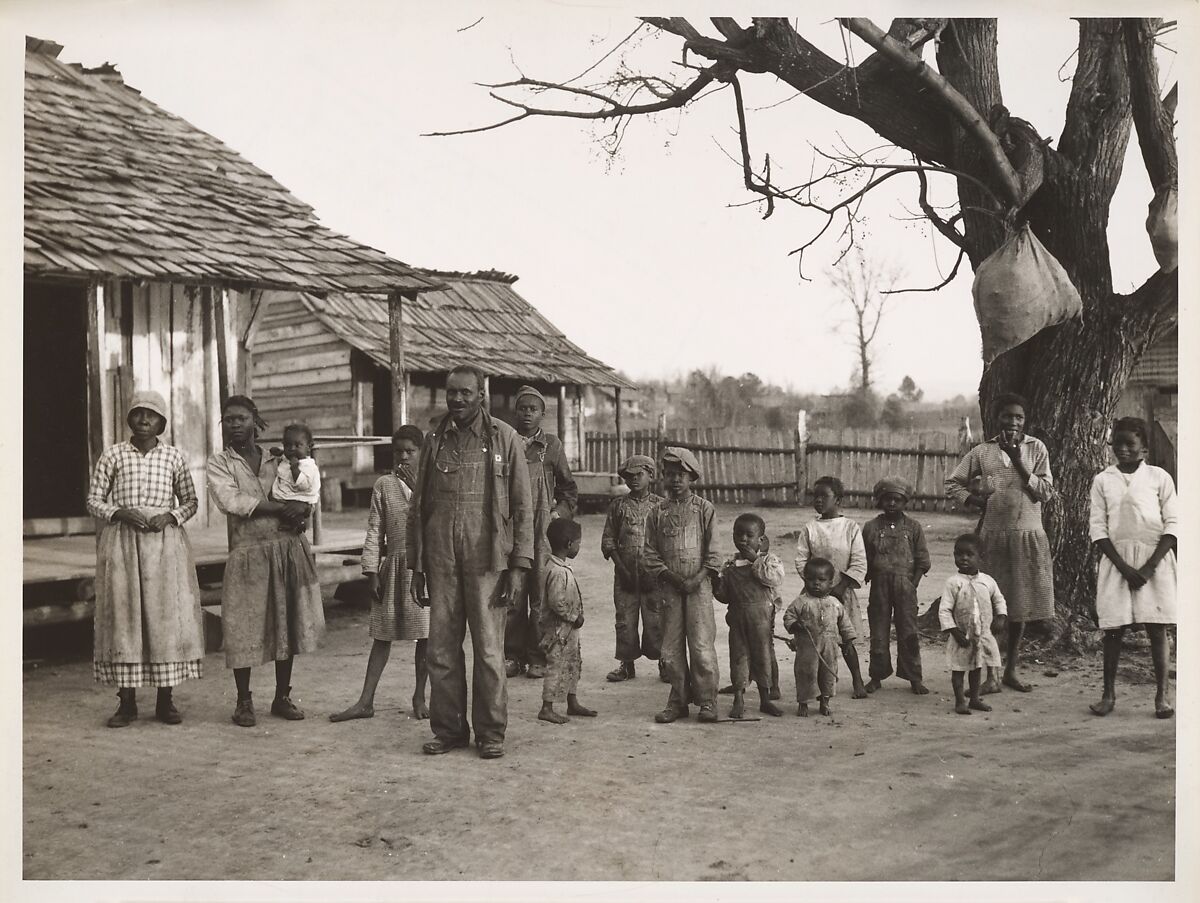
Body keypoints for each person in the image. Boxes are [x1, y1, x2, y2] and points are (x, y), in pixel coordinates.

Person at [408, 365, 534, 759]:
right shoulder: (433, 439)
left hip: (489, 562)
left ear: (481, 393)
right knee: (441, 650)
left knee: (490, 651)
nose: (457, 399)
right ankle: (448, 731)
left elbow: (523, 508)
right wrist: (418, 566)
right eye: (451, 393)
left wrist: (518, 567)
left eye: (465, 392)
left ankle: (491, 733)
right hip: (442, 560)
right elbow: (418, 507)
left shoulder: (505, 438)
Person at [85, 390, 205, 727]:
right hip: (122, 545)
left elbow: (191, 501)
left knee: (163, 617)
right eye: (137, 413)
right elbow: (94, 500)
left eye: (151, 415)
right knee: (125, 617)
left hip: (164, 547)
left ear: (162, 423)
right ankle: (126, 703)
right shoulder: (113, 456)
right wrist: (119, 512)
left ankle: (166, 701)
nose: (144, 420)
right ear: (129, 419)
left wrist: (170, 516)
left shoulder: (174, 458)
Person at [207, 395, 324, 727]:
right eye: (228, 419)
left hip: (286, 546)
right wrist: (281, 508)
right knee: (242, 625)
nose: (235, 424)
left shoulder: (278, 458)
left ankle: (282, 696)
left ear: (254, 420)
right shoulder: (220, 463)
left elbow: (306, 490)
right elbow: (232, 500)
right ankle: (244, 701)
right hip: (247, 550)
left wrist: (304, 512)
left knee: (285, 621)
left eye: (241, 418)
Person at [946, 392, 1056, 693]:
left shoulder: (1036, 449)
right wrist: (974, 500)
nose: (1013, 422)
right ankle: (989, 674)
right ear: (998, 419)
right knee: (989, 606)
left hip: (1027, 538)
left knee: (1018, 608)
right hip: (993, 539)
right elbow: (952, 482)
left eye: (1019, 417)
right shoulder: (983, 452)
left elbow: (1045, 493)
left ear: (1025, 421)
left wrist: (1019, 461)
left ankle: (1010, 671)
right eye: (1008, 416)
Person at [330, 425, 428, 723]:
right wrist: (371, 571)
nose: (404, 457)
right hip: (394, 568)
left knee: (426, 635)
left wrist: (420, 490)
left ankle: (419, 696)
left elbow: (433, 521)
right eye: (398, 451)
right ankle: (365, 700)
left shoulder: (431, 483)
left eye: (410, 451)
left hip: (423, 570)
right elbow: (375, 530)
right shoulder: (384, 485)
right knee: (382, 635)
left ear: (422, 453)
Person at [1088, 418, 1178, 719]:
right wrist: (1124, 568)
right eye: (1118, 443)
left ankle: (1162, 696)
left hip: (1156, 560)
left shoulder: (1158, 477)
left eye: (1131, 444)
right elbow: (1098, 529)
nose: (1123, 449)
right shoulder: (1103, 480)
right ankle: (1108, 695)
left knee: (1157, 628)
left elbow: (1173, 524)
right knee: (1114, 630)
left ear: (1145, 448)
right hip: (1118, 562)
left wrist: (1150, 566)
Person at [641, 447, 721, 724]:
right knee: (671, 647)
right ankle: (678, 701)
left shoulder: (704, 509)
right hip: (670, 589)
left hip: (699, 589)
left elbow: (713, 553)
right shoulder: (656, 512)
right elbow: (649, 552)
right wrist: (672, 578)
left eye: (681, 475)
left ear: (692, 477)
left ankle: (708, 701)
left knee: (700, 646)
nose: (675, 480)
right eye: (670, 475)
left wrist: (697, 579)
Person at [505, 385, 578, 680]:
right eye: (522, 408)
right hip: (511, 528)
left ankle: (538, 655)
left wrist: (558, 513)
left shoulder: (552, 446)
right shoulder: (505, 442)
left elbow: (569, 489)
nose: (526, 414)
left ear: (543, 414)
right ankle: (512, 655)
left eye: (532, 409)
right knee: (513, 591)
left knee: (540, 594)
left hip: (542, 533)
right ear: (515, 411)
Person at [793, 476, 869, 699]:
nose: (818, 501)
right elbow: (801, 559)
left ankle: (857, 680)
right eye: (814, 496)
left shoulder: (850, 528)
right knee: (814, 640)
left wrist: (840, 586)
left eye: (823, 496)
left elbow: (859, 561)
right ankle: (816, 687)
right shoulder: (810, 528)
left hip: (841, 593)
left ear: (838, 499)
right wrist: (813, 583)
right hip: (814, 593)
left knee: (846, 639)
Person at [861, 477, 931, 696]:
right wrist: (869, 575)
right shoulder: (871, 527)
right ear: (880, 501)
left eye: (897, 500)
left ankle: (914, 678)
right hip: (879, 587)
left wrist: (912, 584)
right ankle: (876, 676)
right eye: (887, 499)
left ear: (905, 502)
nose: (892, 503)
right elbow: (863, 558)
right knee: (878, 632)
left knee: (908, 632)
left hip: (905, 587)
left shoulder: (913, 527)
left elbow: (922, 560)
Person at [600, 454, 665, 684]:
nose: (634, 480)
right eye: (629, 476)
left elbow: (666, 545)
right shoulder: (618, 506)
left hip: (654, 577)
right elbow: (608, 540)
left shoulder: (660, 506)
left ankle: (664, 662)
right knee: (625, 620)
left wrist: (655, 572)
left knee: (656, 619)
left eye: (639, 475)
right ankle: (626, 664)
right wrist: (623, 569)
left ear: (651, 475)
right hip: (625, 576)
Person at [713, 513, 785, 719]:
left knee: (762, 657)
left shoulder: (768, 561)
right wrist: (716, 585)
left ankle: (765, 700)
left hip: (760, 622)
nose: (743, 539)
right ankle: (739, 699)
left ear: (761, 540)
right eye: (738, 534)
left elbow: (774, 578)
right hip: (738, 621)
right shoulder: (729, 566)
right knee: (738, 658)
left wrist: (755, 560)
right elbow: (725, 597)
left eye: (749, 535)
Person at [938, 534, 1008, 716]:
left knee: (977, 667)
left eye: (970, 554)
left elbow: (999, 599)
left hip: (982, 634)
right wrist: (954, 631)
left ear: (981, 557)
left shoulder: (987, 581)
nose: (964, 558)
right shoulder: (953, 583)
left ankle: (975, 698)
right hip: (961, 636)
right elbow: (944, 610)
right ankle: (960, 701)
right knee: (959, 669)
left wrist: (1001, 616)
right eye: (959, 554)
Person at [537, 518, 597, 724]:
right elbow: (556, 602)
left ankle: (572, 701)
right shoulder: (557, 571)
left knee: (573, 663)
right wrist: (573, 617)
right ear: (569, 544)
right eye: (578, 543)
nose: (579, 547)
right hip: (558, 630)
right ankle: (547, 707)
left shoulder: (560, 566)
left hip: (568, 630)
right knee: (556, 665)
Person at [783, 558, 856, 717]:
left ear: (831, 583)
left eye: (821, 580)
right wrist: (795, 625)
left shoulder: (835, 603)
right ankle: (803, 702)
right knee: (806, 674)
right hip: (807, 648)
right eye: (811, 579)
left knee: (827, 675)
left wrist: (848, 641)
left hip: (829, 647)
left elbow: (845, 623)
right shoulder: (801, 602)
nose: (816, 583)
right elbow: (788, 617)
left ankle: (825, 701)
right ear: (805, 580)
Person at [270, 423, 321, 506]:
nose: (292, 449)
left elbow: (304, 485)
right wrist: (279, 453)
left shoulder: (308, 466)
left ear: (308, 447)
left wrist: (295, 469)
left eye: (297, 445)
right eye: (287, 445)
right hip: (284, 498)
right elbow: (284, 462)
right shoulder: (288, 459)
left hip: (299, 500)